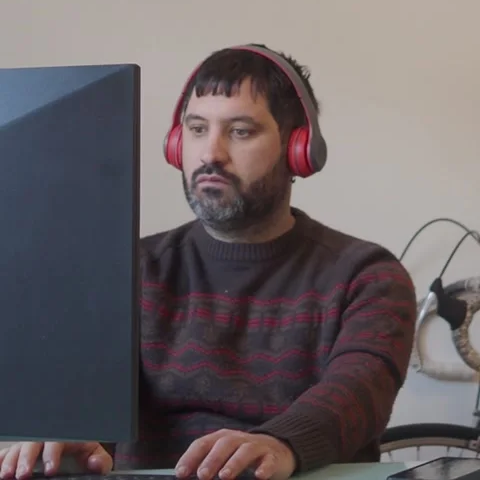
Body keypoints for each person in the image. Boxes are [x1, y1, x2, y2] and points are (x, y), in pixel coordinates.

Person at [0, 44, 417, 480]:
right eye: (197, 129)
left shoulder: (367, 276)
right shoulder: (134, 268)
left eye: (240, 131)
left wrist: (279, 443)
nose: (210, 153)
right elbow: (92, 407)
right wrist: (71, 438)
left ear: (299, 150)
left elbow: (357, 393)